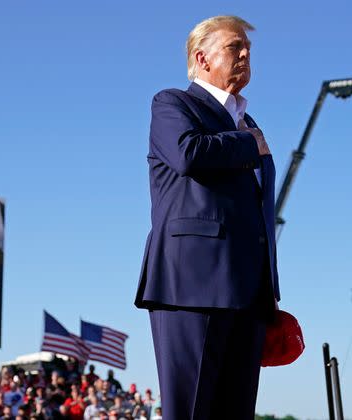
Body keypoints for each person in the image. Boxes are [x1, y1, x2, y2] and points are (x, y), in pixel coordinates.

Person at [134, 15, 279, 420]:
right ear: (201, 57)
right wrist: (247, 142)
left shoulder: (249, 123)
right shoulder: (173, 103)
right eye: (235, 47)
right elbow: (188, 153)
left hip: (248, 293)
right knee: (191, 411)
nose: (246, 54)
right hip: (190, 285)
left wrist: (271, 290)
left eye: (247, 48)